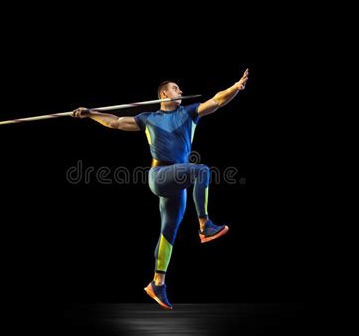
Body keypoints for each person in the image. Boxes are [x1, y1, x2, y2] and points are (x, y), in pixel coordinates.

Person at [72, 69, 249, 309]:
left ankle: (158, 283)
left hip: (178, 179)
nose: (181, 91)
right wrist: (90, 113)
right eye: (176, 88)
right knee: (202, 170)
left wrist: (235, 87)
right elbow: (115, 122)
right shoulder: (148, 118)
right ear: (164, 93)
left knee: (168, 232)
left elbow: (217, 100)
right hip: (160, 175)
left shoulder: (189, 112)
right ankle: (205, 225)